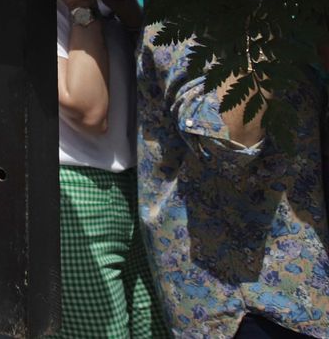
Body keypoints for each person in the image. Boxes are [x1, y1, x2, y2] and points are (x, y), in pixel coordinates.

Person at [140, 30, 329, 338]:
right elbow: (225, 141)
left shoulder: (299, 20)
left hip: (306, 290)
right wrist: (261, 28)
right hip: (251, 298)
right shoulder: (191, 23)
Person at [54, 0, 166, 339]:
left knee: (155, 330)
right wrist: (79, 4)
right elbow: (88, 109)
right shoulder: (37, 6)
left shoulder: (110, 5)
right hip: (74, 191)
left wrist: (120, 4)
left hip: (134, 184)